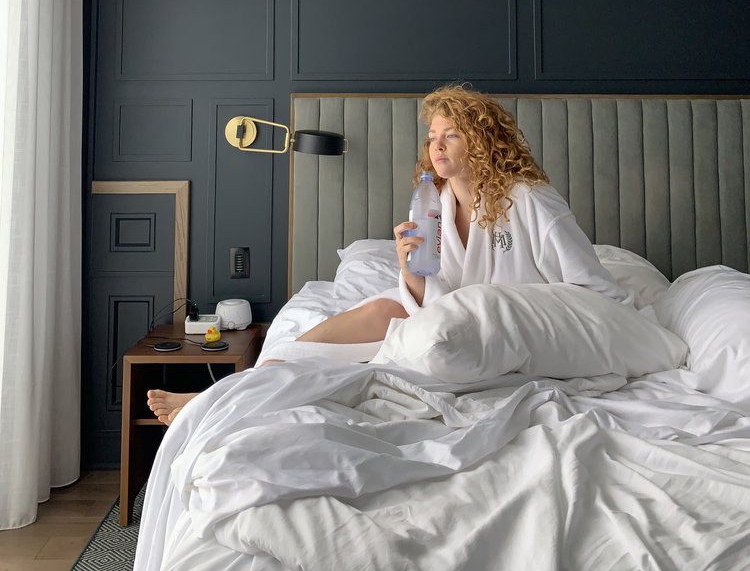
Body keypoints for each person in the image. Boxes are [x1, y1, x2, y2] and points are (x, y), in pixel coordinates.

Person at [147, 84, 630, 425]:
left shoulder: (530, 198)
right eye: (432, 137)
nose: (436, 147)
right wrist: (407, 268)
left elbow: (593, 292)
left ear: (483, 139)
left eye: (452, 135)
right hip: (451, 321)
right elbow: (431, 295)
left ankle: (215, 402)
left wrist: (509, 314)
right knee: (376, 311)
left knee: (368, 354)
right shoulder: (433, 202)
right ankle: (224, 396)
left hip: (517, 330)